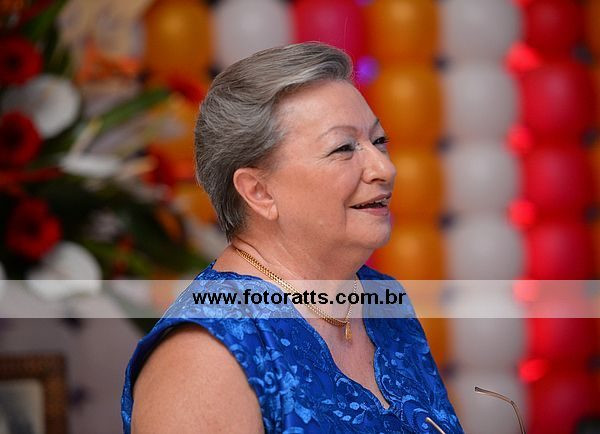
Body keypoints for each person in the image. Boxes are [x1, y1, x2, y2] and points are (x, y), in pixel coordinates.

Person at [121, 42, 463, 433]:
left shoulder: (382, 301)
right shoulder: (202, 358)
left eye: (378, 141)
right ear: (259, 192)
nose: (384, 169)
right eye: (343, 148)